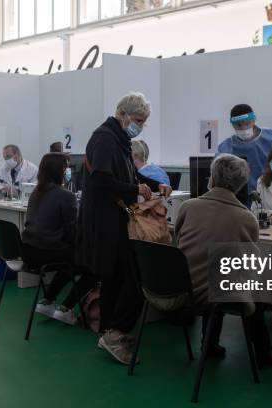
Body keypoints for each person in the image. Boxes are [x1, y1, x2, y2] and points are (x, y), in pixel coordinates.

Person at [78, 92, 172, 365]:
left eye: (144, 121)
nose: (140, 125)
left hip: (114, 220)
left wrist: (153, 186)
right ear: (123, 114)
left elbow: (130, 173)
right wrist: (135, 190)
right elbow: (101, 180)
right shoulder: (105, 139)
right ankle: (115, 332)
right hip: (107, 222)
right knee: (133, 277)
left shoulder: (119, 139)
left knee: (114, 278)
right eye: (138, 120)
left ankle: (109, 333)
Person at [175, 153, 272, 366]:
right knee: (251, 285)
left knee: (215, 270)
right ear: (240, 185)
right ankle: (263, 353)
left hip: (178, 288)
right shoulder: (245, 218)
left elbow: (178, 243)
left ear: (211, 178)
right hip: (209, 293)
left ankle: (209, 344)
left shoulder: (188, 207)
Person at [21, 153, 96, 325]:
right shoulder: (65, 196)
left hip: (29, 251)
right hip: (47, 252)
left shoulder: (36, 192)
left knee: (70, 259)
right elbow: (71, 233)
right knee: (93, 267)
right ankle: (66, 307)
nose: (68, 171)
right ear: (59, 171)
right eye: (66, 167)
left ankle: (47, 300)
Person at [217, 104, 272, 193]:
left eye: (247, 123)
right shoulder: (225, 148)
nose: (244, 128)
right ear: (233, 125)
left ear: (254, 120)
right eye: (239, 125)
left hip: (271, 193)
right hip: (240, 198)